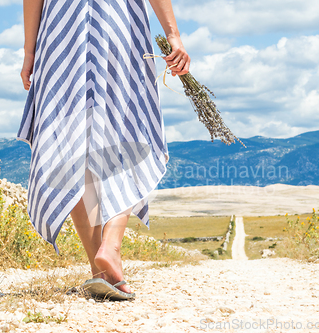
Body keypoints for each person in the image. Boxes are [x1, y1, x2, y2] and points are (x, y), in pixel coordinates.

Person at [18, 0, 190, 298]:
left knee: (68, 142)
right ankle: (110, 246)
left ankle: (99, 270)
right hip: (119, 22)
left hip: (61, 29)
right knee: (127, 129)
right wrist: (173, 35)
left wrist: (30, 51)